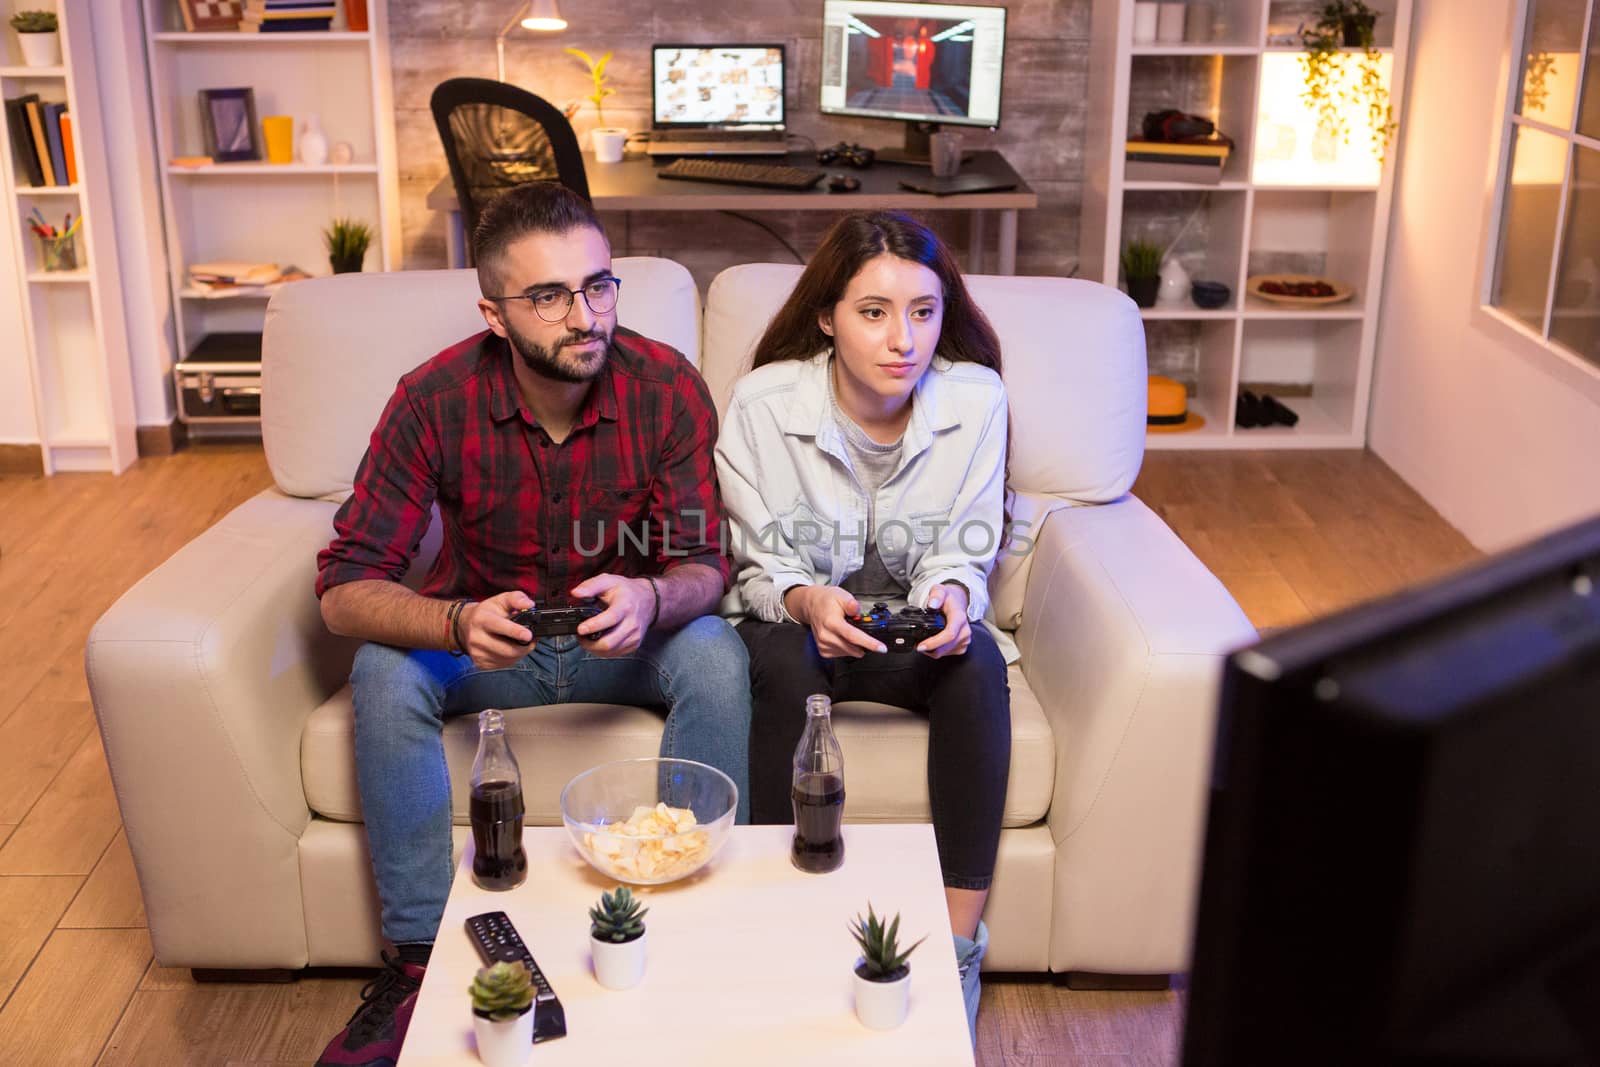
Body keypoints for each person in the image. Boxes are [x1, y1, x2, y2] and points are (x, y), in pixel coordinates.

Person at [313, 182, 751, 1067]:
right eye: (549, 296)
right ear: (495, 312)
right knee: (381, 669)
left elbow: (708, 563)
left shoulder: (665, 385)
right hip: (488, 649)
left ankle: (692, 922)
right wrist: (453, 619)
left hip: (621, 648)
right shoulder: (431, 398)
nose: (584, 316)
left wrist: (652, 598)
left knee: (716, 653)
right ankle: (417, 964)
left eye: (598, 286)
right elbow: (343, 587)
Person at [715, 210, 1012, 1041]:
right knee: (784, 662)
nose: (903, 338)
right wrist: (809, 598)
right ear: (826, 316)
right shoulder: (763, 403)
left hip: (909, 632)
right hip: (802, 625)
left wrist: (954, 596)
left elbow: (968, 541)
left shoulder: (976, 398)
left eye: (924, 311)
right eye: (873, 311)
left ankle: (956, 949)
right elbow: (756, 562)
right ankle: (790, 925)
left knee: (978, 665)